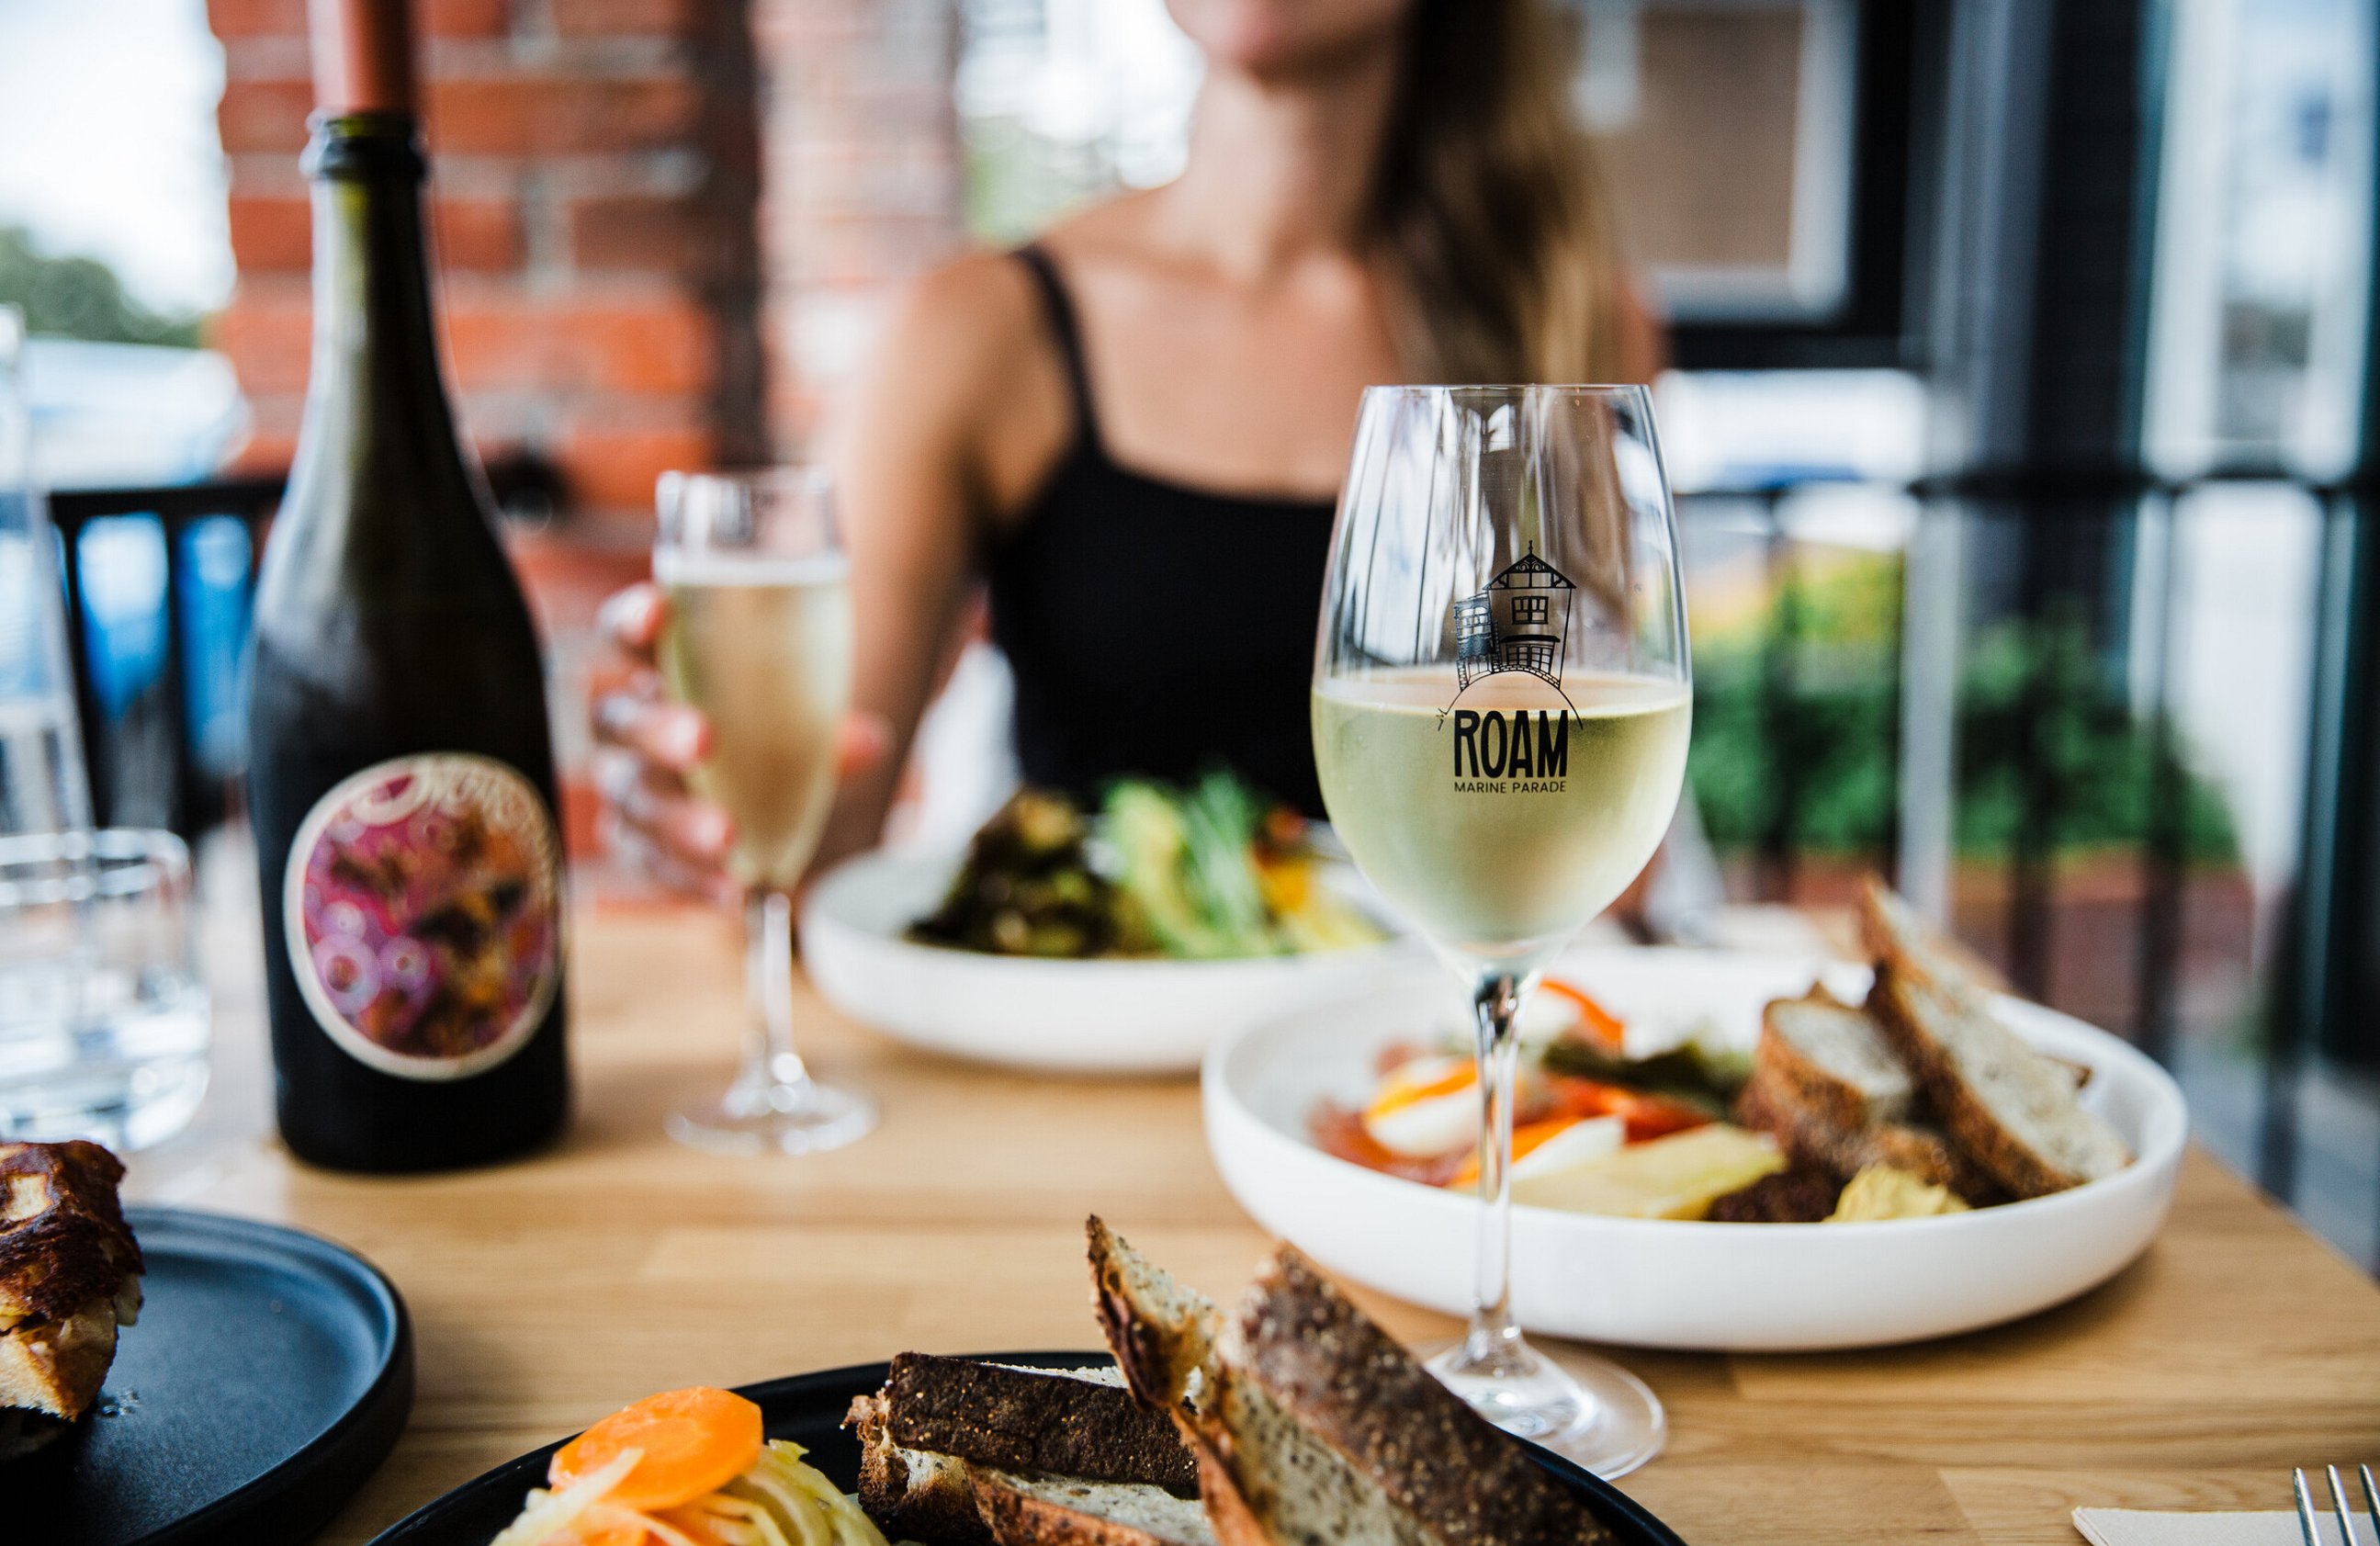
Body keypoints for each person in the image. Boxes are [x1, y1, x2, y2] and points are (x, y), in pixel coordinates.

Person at [592, 0, 1663, 896]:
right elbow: (821, 837)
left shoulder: (1574, 324)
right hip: (1060, 1091)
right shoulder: (978, 331)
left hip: (1398, 1094)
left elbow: (1591, 828)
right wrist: (705, 811)